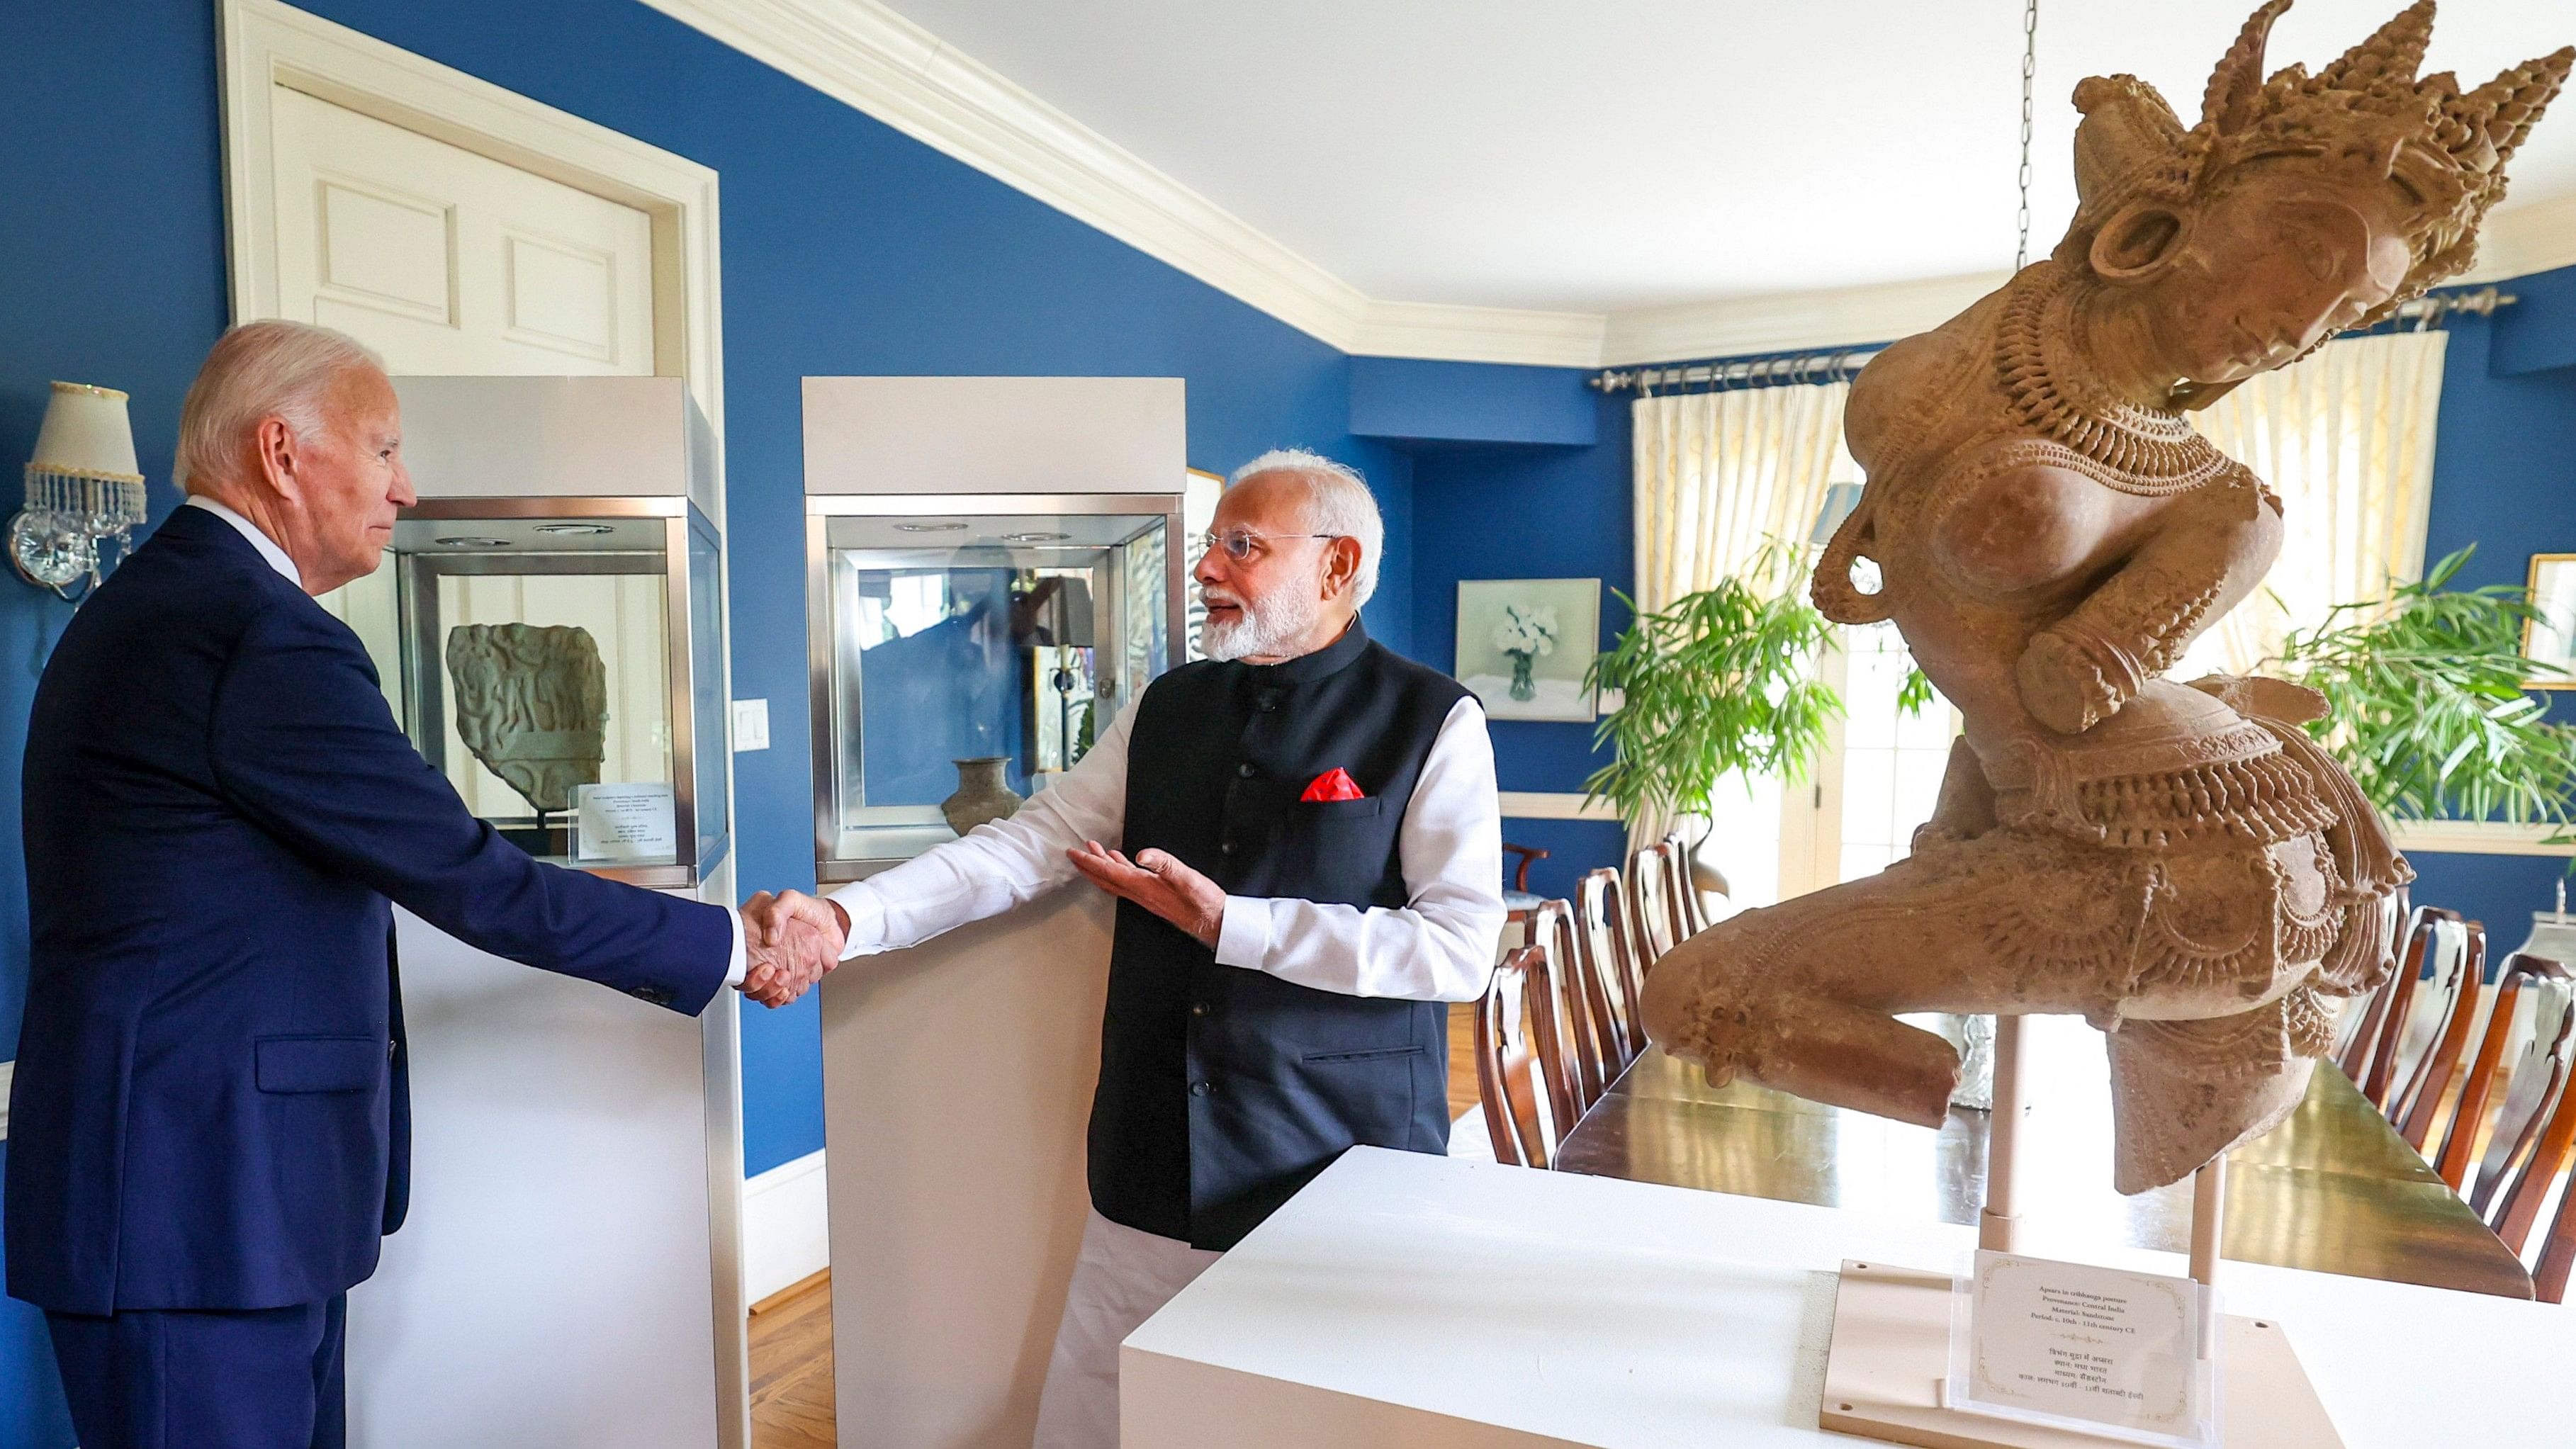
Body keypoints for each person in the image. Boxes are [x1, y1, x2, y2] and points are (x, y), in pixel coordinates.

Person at [4, 320, 841, 1449]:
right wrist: (735, 948)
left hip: (206, 1200)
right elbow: (475, 876)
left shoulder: (165, 608)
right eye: (386, 448)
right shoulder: (254, 632)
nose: (408, 486)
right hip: (200, 1211)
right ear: (283, 452)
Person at [755, 448, 1506, 1449]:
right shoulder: (1166, 707)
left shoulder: (1433, 720)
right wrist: (849, 921)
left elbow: (1459, 949)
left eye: (1243, 547)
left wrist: (1231, 923)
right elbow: (1029, 842)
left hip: (1337, 1167)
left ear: (1337, 565)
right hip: (1152, 1152)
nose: (1207, 570)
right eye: (1211, 546)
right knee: (1100, 1420)